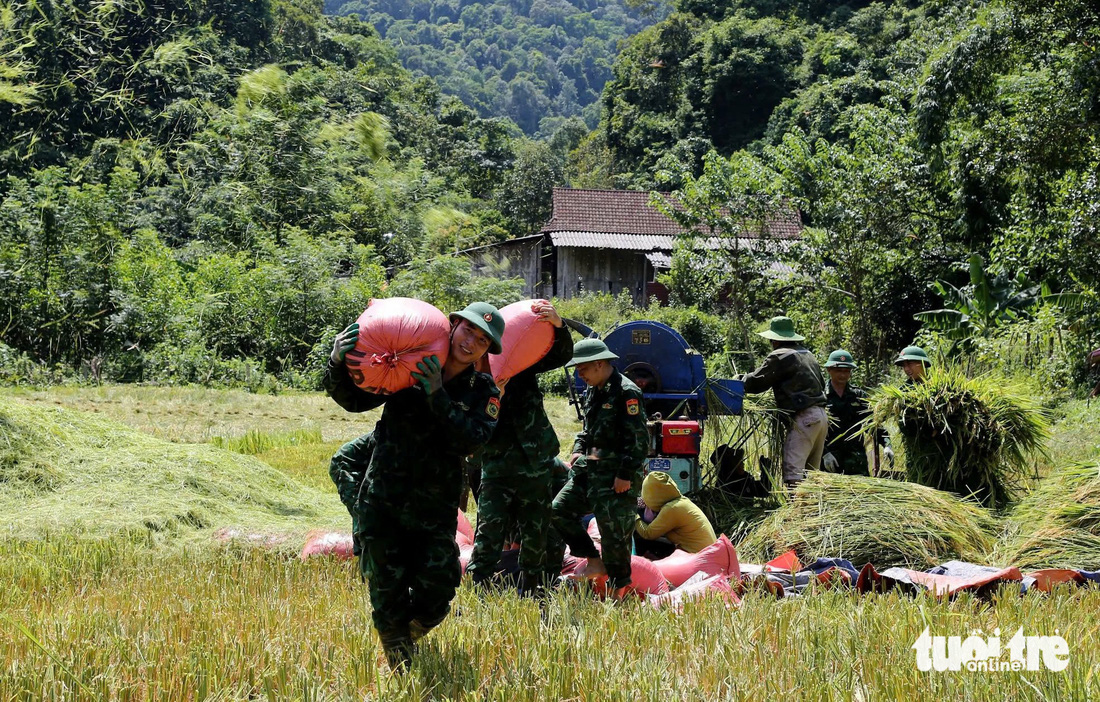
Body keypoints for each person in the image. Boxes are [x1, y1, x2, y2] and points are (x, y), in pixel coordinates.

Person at [324, 301, 505, 671]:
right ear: (452, 326)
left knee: (438, 596)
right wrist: (336, 362)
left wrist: (437, 393)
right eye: (468, 330)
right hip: (384, 505)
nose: (471, 342)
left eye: (483, 341)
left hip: (433, 512)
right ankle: (400, 666)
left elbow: (470, 440)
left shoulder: (483, 391)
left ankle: (406, 635)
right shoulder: (409, 364)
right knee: (387, 599)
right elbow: (356, 400)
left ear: (487, 351)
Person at [467, 300, 574, 596]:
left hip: (534, 462)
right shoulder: (469, 376)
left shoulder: (521, 363)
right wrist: (492, 396)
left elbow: (559, 355)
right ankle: (479, 590)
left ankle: (534, 591)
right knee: (489, 531)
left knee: (535, 531)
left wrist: (558, 325)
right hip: (496, 464)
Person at [551, 338, 649, 597]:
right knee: (558, 509)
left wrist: (625, 475)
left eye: (582, 368)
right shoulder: (593, 390)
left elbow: (638, 441)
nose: (579, 374)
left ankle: (618, 593)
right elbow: (588, 431)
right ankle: (592, 559)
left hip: (616, 476)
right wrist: (577, 449)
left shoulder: (627, 392)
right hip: (590, 470)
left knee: (614, 535)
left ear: (599, 364)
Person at [740, 316, 827, 487]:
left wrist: (740, 381)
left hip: (805, 418)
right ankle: (812, 511)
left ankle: (796, 510)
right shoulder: (807, 354)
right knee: (811, 475)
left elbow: (757, 382)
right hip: (821, 417)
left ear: (774, 340)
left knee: (793, 472)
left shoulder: (780, 355)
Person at [821, 349, 894, 477]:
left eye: (846, 371)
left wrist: (887, 444)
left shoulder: (858, 396)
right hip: (830, 460)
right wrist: (824, 453)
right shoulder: (821, 396)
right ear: (829, 370)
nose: (843, 375)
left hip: (855, 460)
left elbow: (871, 423)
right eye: (838, 370)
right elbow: (813, 430)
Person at [634, 471, 717, 556]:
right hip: (707, 554)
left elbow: (647, 533)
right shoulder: (681, 501)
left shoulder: (671, 509)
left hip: (698, 557)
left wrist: (634, 515)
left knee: (642, 544)